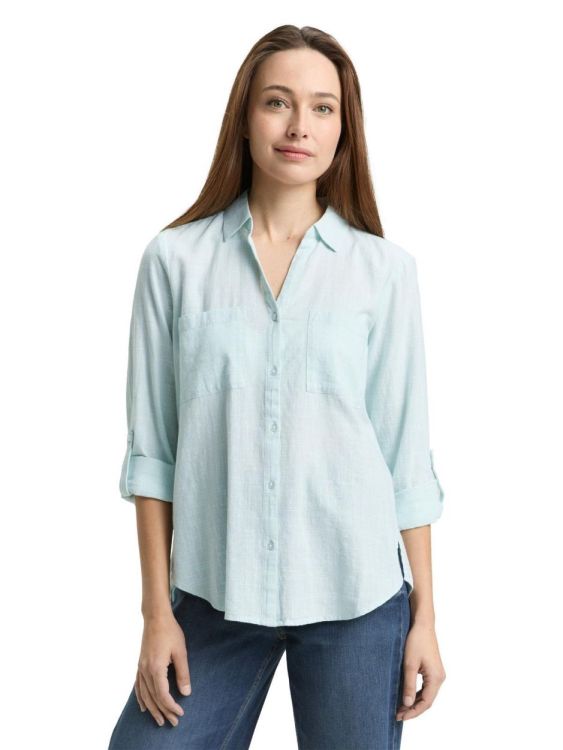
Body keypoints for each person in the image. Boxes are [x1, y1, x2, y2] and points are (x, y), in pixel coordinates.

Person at [108, 23, 446, 750]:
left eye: (323, 108)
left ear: (344, 131)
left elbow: (404, 456)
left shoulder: (384, 272)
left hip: (356, 597)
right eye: (277, 102)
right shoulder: (174, 262)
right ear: (245, 117)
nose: (299, 127)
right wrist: (156, 614)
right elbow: (153, 455)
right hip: (214, 596)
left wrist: (425, 617)